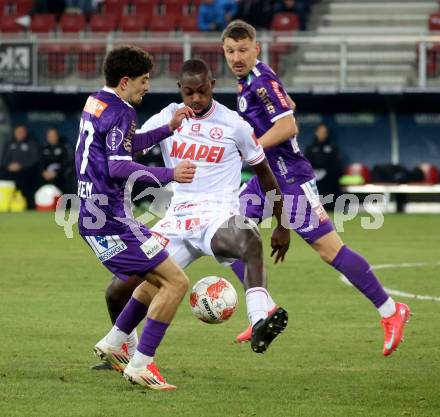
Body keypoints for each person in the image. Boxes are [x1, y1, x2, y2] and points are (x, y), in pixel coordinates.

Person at [221, 20, 410, 356]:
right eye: (230, 51)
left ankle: (391, 311)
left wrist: (252, 148)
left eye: (243, 50)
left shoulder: (261, 81)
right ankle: (262, 310)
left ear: (256, 48)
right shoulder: (250, 79)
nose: (236, 56)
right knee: (225, 235)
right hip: (267, 178)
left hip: (289, 178)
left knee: (329, 250)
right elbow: (288, 105)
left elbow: (288, 123)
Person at [96, 58, 290, 370]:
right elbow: (128, 151)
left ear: (212, 86)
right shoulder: (168, 116)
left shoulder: (235, 125)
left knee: (249, 239)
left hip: (216, 215)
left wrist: (282, 223)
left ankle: (258, 321)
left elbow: (266, 173)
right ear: (180, 90)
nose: (196, 99)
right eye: (189, 93)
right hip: (175, 219)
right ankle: (120, 348)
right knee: (117, 291)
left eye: (201, 91)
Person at [75, 45, 198, 391]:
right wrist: (170, 174)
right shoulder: (123, 112)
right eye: (144, 80)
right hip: (112, 219)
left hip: (93, 215)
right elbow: (118, 166)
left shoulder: (97, 103)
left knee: (156, 279)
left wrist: (168, 128)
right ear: (126, 80)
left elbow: (123, 148)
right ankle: (142, 363)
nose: (147, 86)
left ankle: (115, 342)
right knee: (176, 282)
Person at [0, 124, 40, 208]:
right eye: (18, 132)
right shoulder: (9, 143)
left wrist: (21, 166)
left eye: (21, 132)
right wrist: (9, 166)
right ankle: (5, 203)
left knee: (26, 178)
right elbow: (4, 160)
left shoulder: (32, 142)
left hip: (26, 171)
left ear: (25, 133)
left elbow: (34, 159)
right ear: (14, 132)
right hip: (9, 171)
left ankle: (26, 205)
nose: (19, 134)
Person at [305, 123, 342, 210]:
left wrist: (327, 173)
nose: (322, 134)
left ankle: (331, 208)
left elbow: (336, 164)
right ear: (316, 133)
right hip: (314, 178)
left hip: (329, 180)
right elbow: (306, 164)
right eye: (320, 132)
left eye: (324, 132)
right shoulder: (310, 148)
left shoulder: (333, 148)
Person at [40, 127, 71, 192]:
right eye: (50, 136)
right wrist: (43, 172)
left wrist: (56, 173)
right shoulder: (44, 148)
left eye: (53, 136)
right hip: (46, 176)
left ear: (57, 136)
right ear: (47, 137)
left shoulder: (63, 148)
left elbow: (66, 164)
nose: (52, 138)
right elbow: (41, 163)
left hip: (59, 177)